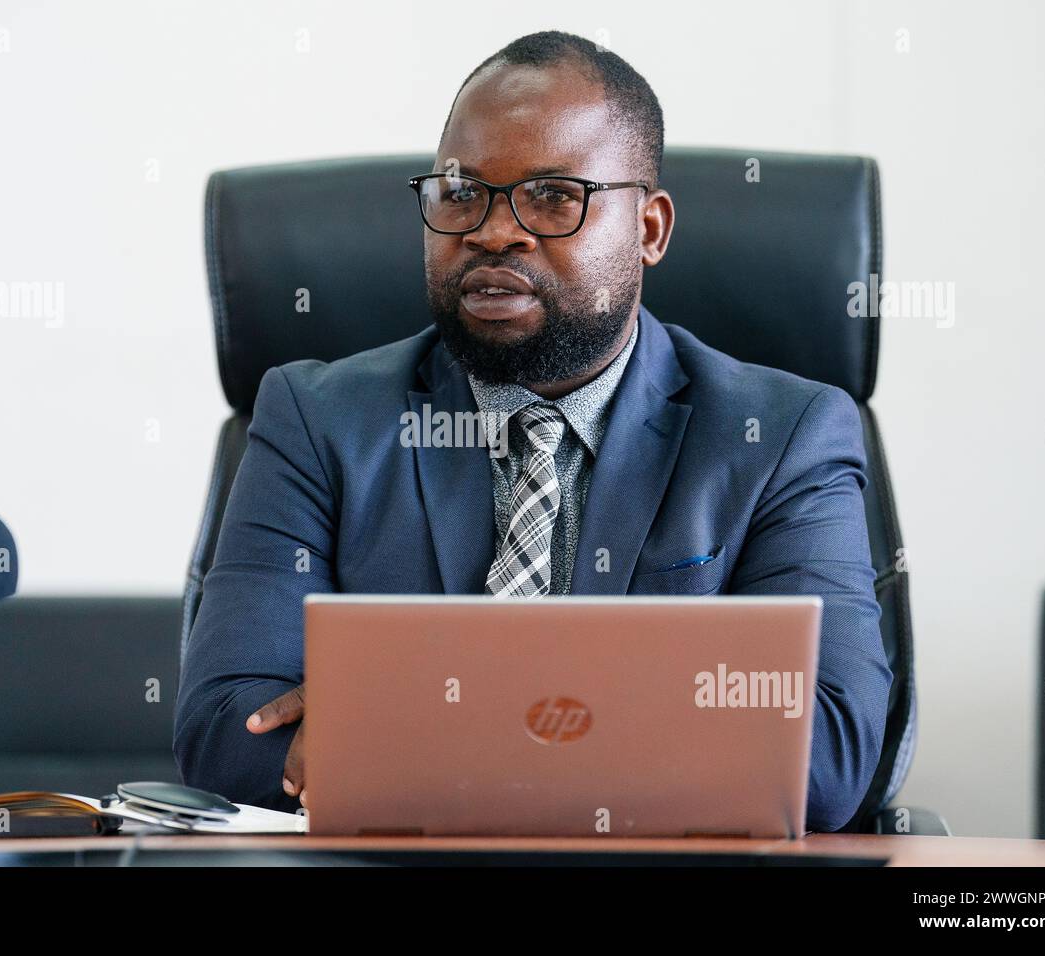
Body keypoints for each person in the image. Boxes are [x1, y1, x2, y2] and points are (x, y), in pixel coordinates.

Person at [175, 30, 891, 832]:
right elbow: (227, 733)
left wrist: (403, 716)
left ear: (650, 230)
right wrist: (662, 721)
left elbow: (824, 759)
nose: (492, 231)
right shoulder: (318, 421)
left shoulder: (782, 437)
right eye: (461, 192)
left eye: (553, 195)